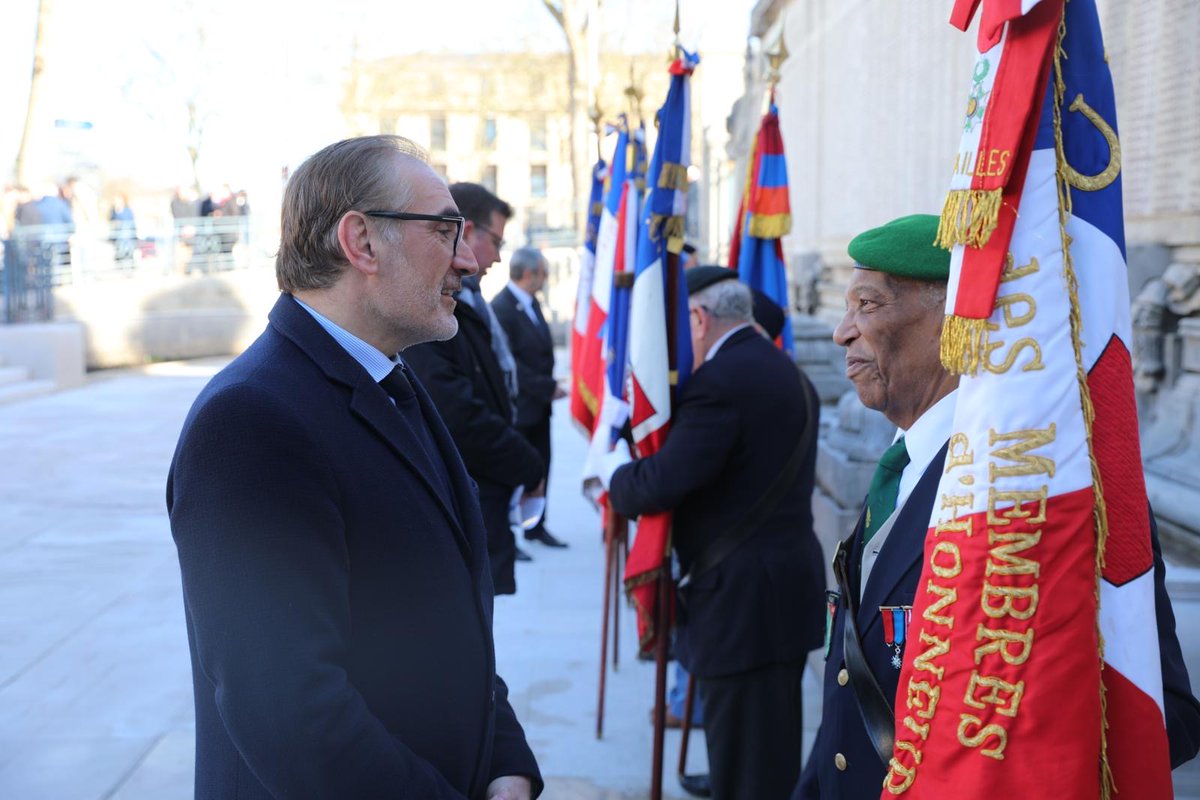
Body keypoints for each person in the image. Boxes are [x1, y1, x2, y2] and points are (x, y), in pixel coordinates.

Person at [166, 135, 541, 800]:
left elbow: (447, 627)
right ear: (362, 242)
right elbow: (289, 713)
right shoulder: (251, 422)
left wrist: (505, 760)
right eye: (445, 229)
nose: (467, 260)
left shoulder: (391, 381)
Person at [794, 213, 1200, 799]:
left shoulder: (1053, 494)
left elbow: (1162, 711)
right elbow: (849, 695)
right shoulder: (901, 468)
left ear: (953, 322)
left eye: (868, 305)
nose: (841, 332)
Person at [598, 266, 826, 800]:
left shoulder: (722, 382)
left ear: (698, 319)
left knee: (751, 768)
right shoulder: (780, 367)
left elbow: (662, 483)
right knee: (762, 746)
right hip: (774, 590)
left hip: (744, 599)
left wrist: (613, 473)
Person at [406, 182, 545, 594]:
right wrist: (526, 462)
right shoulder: (431, 309)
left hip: (483, 499)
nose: (498, 256)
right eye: (496, 241)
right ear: (464, 232)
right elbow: (457, 412)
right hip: (464, 501)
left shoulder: (470, 301)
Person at [491, 246, 568, 549]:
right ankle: (509, 537)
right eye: (544, 273)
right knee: (513, 472)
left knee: (541, 465)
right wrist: (546, 387)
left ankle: (537, 526)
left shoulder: (532, 303)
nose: (546, 279)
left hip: (539, 409)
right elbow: (508, 362)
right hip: (518, 409)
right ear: (528, 274)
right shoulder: (502, 307)